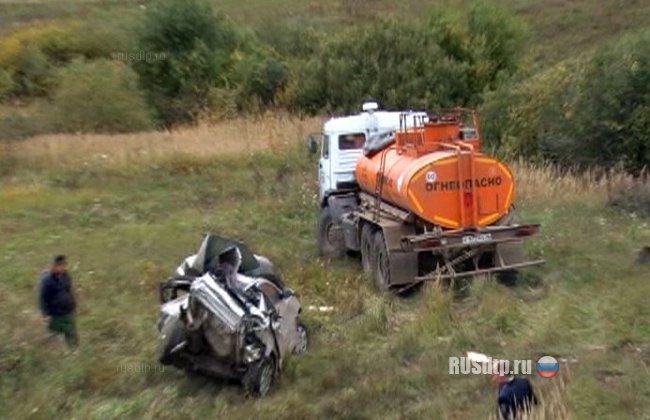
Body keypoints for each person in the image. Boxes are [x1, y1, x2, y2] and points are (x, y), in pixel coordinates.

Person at [38, 255, 78, 347]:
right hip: (55, 314)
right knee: (55, 336)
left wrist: (74, 304)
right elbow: (43, 298)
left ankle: (74, 352)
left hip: (68, 312)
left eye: (62, 265)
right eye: (58, 265)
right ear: (53, 266)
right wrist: (45, 314)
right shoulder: (47, 281)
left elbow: (70, 290)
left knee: (71, 333)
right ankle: (49, 350)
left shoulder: (66, 276)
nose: (60, 267)